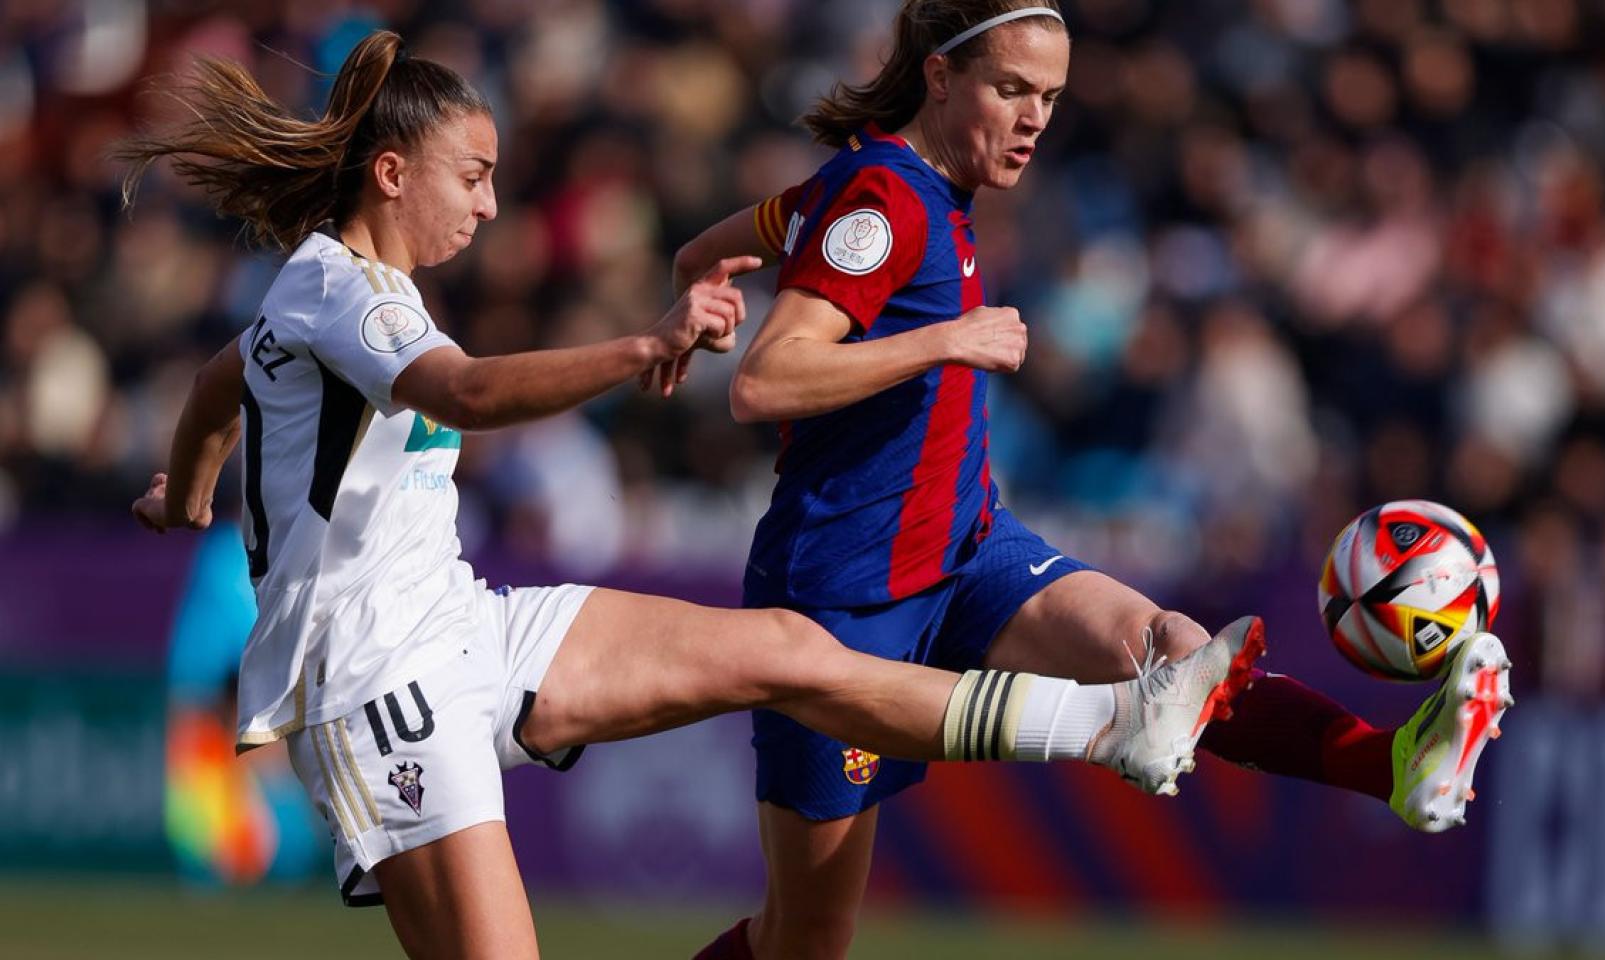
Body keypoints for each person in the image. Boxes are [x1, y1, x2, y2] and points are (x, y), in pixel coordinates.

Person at [117, 30, 1254, 960]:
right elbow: (459, 393)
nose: (495, 205)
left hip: (459, 626)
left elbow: (226, 379)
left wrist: (194, 491)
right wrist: (640, 346)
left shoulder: (318, 294)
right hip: (371, 685)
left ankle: (1118, 722)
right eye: (474, 176)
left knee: (788, 653)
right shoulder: (354, 295)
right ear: (392, 173)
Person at [670, 4, 1513, 958]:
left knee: (1166, 651)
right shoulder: (887, 200)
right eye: (1012, 90)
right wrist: (945, 340)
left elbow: (766, 227)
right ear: (940, 79)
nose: (1035, 118)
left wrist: (695, 272)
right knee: (805, 942)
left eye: (1052, 97)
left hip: (968, 549)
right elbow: (764, 380)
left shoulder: (897, 189)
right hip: (840, 596)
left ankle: (1394, 764)